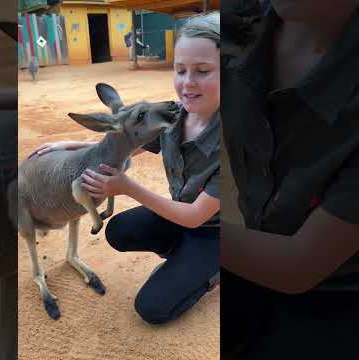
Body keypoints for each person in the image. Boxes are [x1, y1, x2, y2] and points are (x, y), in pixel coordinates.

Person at [32, 12, 221, 325]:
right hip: (179, 214)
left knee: (153, 309)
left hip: (213, 233)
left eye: (202, 71)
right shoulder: (176, 116)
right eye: (180, 70)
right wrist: (70, 144)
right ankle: (182, 257)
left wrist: (126, 187)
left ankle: (212, 270)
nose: (187, 82)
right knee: (119, 231)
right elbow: (126, 141)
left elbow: (195, 216)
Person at [221, 1, 359, 358]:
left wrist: (192, 228)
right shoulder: (240, 21)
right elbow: (189, 110)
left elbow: (299, 266)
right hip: (252, 245)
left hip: (336, 288)